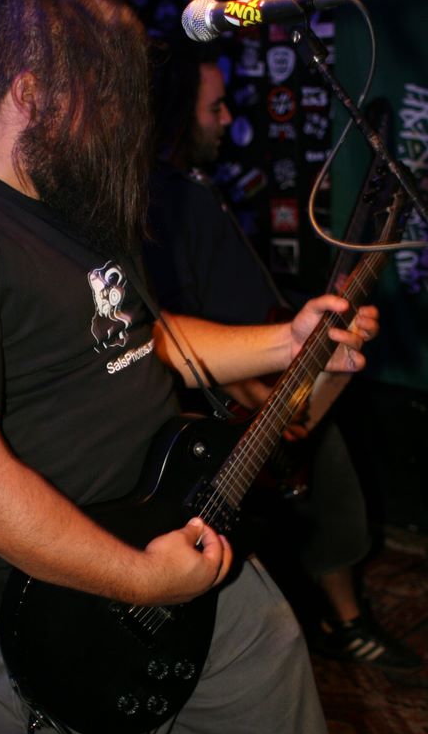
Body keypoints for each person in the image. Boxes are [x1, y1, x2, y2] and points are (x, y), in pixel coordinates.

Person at [0, 0, 379, 734]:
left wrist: (285, 341)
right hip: (73, 613)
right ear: (28, 92)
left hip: (195, 536)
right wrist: (140, 580)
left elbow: (144, 341)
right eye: (100, 93)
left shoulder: (69, 200)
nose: (119, 117)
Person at [143, 37, 421, 671]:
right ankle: (342, 624)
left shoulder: (195, 186)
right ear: (177, 112)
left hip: (275, 376)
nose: (225, 119)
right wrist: (258, 393)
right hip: (246, 397)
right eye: (213, 108)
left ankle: (338, 620)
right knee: (322, 492)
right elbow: (175, 328)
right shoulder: (164, 199)